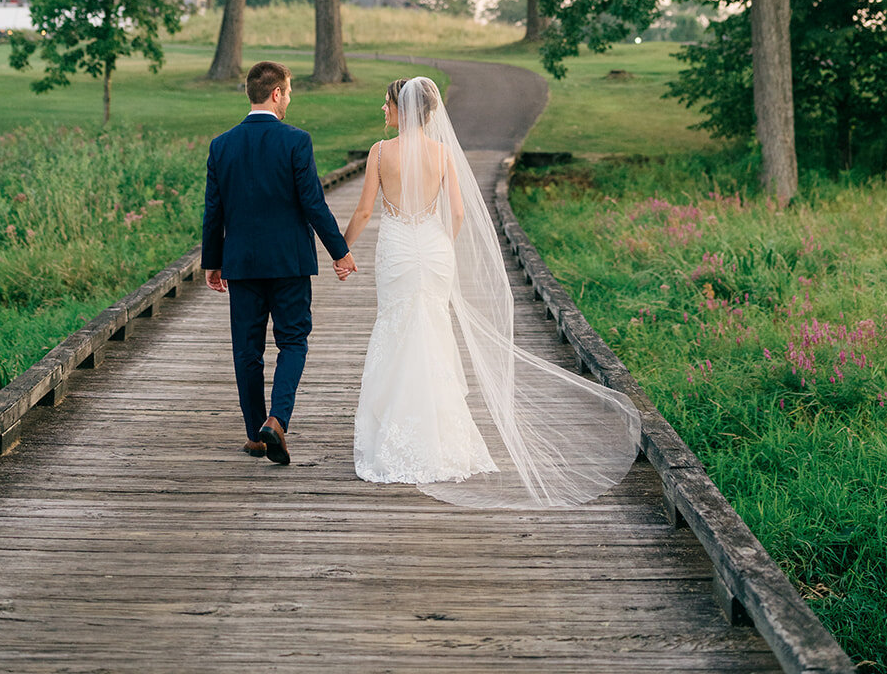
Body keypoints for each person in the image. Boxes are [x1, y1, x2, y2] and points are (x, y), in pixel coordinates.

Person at [344, 76, 641, 507]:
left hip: (396, 253)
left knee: (398, 329)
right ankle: (442, 439)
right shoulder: (443, 153)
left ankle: (393, 437)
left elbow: (366, 209)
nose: (382, 110)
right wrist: (439, 242)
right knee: (432, 334)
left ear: (400, 107)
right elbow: (459, 212)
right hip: (434, 249)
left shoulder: (381, 152)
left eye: (386, 104)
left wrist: (341, 250)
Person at [201, 60, 357, 466]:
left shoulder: (222, 145)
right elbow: (313, 204)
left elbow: (213, 211)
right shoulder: (296, 141)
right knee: (292, 342)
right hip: (289, 262)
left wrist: (212, 262)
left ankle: (256, 435)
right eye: (288, 92)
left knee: (246, 352)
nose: (289, 98)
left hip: (241, 264)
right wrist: (339, 251)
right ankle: (277, 420)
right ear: (276, 94)